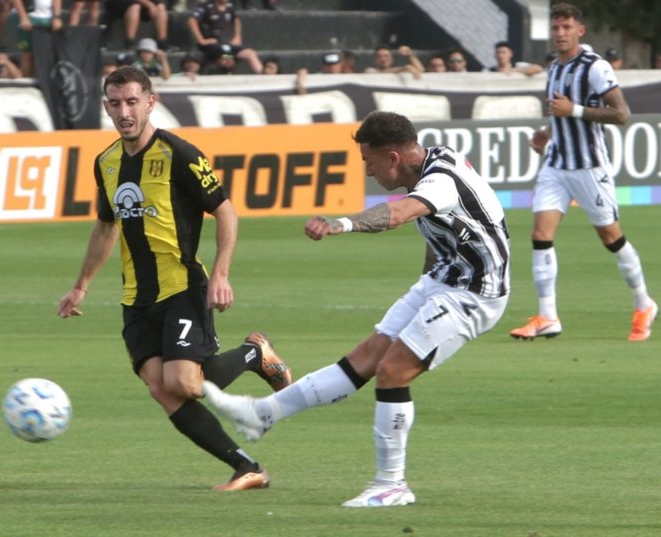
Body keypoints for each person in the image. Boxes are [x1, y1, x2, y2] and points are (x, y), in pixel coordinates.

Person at [203, 110, 511, 508]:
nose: (367, 171)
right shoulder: (430, 163)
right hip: (443, 280)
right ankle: (264, 413)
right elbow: (444, 231)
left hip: (475, 293)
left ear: (393, 158)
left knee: (393, 371)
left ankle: (391, 484)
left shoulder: (440, 182)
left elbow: (399, 214)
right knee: (364, 358)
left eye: (369, 160)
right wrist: (426, 289)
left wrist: (341, 224)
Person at [57, 66, 293, 491]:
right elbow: (106, 226)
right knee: (161, 389)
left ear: (151, 101)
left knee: (182, 382)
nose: (123, 112)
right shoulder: (106, 162)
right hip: (136, 297)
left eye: (132, 101)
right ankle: (247, 467)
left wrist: (221, 273)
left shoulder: (179, 154)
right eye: (114, 103)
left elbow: (225, 210)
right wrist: (81, 285)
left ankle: (253, 355)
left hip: (183, 286)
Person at [510, 2, 656, 342]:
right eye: (555, 28)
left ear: (580, 31)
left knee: (611, 238)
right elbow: (559, 112)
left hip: (589, 166)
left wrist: (572, 109)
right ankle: (548, 316)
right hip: (556, 164)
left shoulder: (594, 67)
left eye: (566, 28)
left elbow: (622, 115)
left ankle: (643, 303)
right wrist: (548, 133)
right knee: (540, 235)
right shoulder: (553, 67)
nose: (560, 33)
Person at [188, 0, 262, 74]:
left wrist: (237, 37)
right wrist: (201, 40)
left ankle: (265, 78)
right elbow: (192, 21)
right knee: (226, 58)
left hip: (229, 44)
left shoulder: (230, 6)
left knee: (250, 53)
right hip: (214, 46)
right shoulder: (206, 7)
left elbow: (236, 19)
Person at [10, 0, 62, 77]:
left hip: (48, 17)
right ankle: (26, 80)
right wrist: (23, 17)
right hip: (28, 15)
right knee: (27, 54)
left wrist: (57, 17)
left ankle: (42, 80)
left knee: (44, 53)